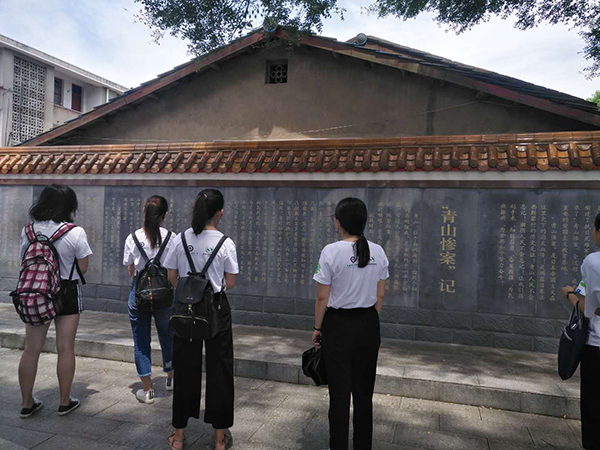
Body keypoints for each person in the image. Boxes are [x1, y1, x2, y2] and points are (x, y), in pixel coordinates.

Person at [163, 189, 239, 450]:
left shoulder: (180, 238)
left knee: (185, 369)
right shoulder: (225, 242)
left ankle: (179, 437)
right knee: (220, 370)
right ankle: (219, 439)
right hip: (216, 309)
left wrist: (190, 292)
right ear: (220, 212)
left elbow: (171, 276)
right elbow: (231, 282)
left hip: (186, 309)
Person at [312, 197, 389, 450]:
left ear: (338, 222)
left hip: (338, 325)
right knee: (364, 393)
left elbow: (322, 297)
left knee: (339, 394)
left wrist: (317, 328)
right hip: (368, 324)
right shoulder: (378, 251)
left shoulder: (331, 251)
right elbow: (380, 295)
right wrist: (368, 319)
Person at [17, 184, 92, 418]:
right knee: (65, 347)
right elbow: (83, 268)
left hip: (37, 292)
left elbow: (23, 260)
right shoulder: (75, 232)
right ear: (70, 206)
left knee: (31, 348)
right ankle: (64, 401)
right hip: (66, 292)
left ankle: (27, 403)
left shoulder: (28, 230)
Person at [123, 195, 175, 404]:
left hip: (140, 293)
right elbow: (175, 268)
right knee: (169, 336)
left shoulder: (132, 238)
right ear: (165, 215)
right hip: (165, 293)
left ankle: (147, 390)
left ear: (144, 211)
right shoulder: (172, 237)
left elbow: (129, 266)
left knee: (141, 341)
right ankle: (171, 378)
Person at [562, 212, 600, 450]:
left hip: (597, 346)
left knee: (594, 408)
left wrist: (569, 294)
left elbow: (587, 308)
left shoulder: (593, 261)